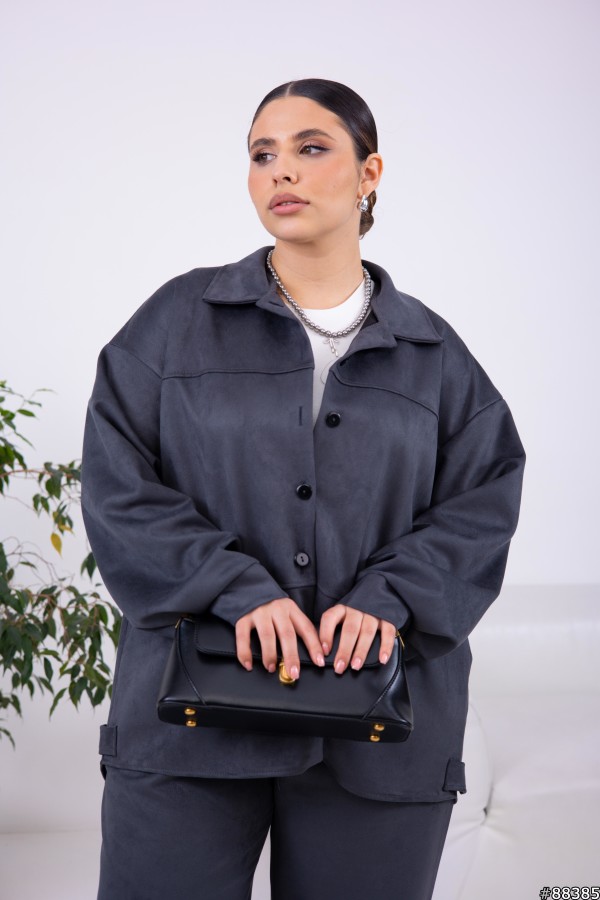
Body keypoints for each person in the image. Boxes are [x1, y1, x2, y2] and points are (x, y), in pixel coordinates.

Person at [81, 78, 526, 900]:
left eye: (310, 148)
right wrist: (235, 588)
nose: (280, 170)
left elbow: (483, 502)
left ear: (369, 173)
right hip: (188, 721)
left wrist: (390, 596)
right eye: (262, 154)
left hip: (380, 735)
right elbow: (117, 485)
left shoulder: (435, 355)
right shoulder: (175, 323)